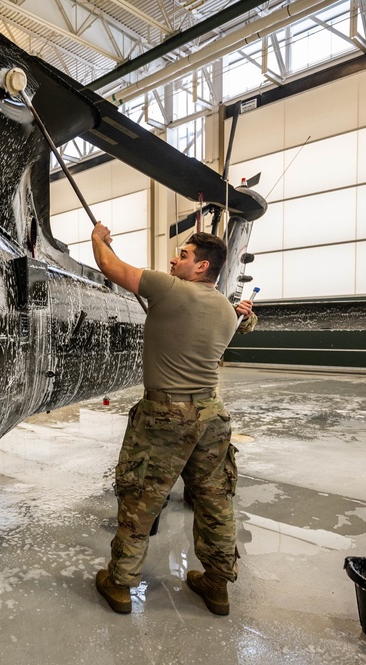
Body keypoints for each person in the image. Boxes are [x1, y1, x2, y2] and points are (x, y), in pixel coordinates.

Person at [90, 222, 256, 616]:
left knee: (140, 499)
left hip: (166, 414)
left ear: (201, 267)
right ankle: (217, 586)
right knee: (215, 500)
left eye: (183, 255)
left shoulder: (170, 289)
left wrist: (98, 239)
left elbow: (111, 267)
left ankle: (119, 583)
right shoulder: (226, 312)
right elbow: (237, 323)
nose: (173, 259)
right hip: (211, 416)